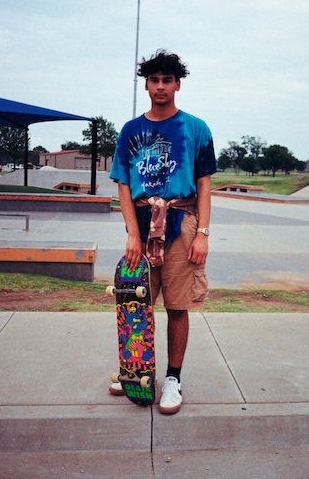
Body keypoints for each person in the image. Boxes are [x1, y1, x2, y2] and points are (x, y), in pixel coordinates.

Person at [108, 50, 217, 415]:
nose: (160, 87)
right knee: (136, 303)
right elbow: (123, 184)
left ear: (177, 84)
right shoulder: (130, 130)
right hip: (141, 223)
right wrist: (132, 234)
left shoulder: (196, 129)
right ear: (146, 85)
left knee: (177, 305)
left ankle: (173, 377)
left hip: (180, 222)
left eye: (166, 80)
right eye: (153, 80)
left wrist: (202, 232)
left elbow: (203, 184)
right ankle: (136, 370)